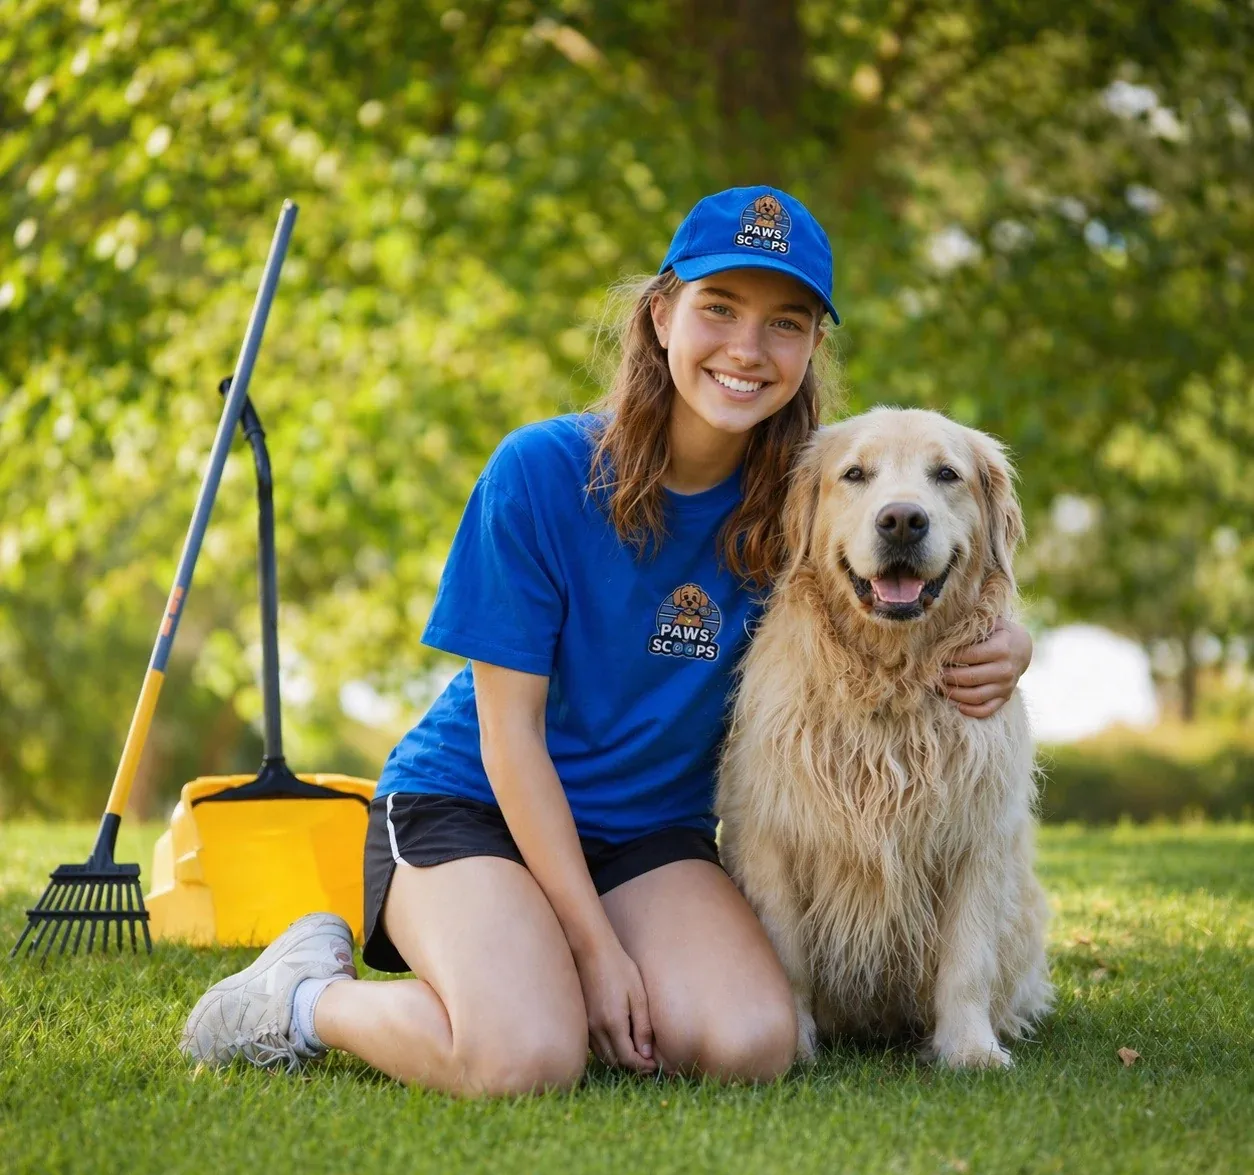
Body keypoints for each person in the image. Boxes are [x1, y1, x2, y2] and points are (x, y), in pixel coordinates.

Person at [180, 187, 1033, 1095]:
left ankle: (525, 976)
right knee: (524, 1060)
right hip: (474, 808)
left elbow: (930, 557)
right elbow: (509, 741)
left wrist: (1012, 642)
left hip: (646, 837)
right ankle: (302, 996)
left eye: (784, 322)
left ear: (812, 347)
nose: (747, 349)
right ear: (660, 314)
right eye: (718, 309)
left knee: (752, 1043)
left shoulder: (812, 493)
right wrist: (594, 950)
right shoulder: (541, 472)